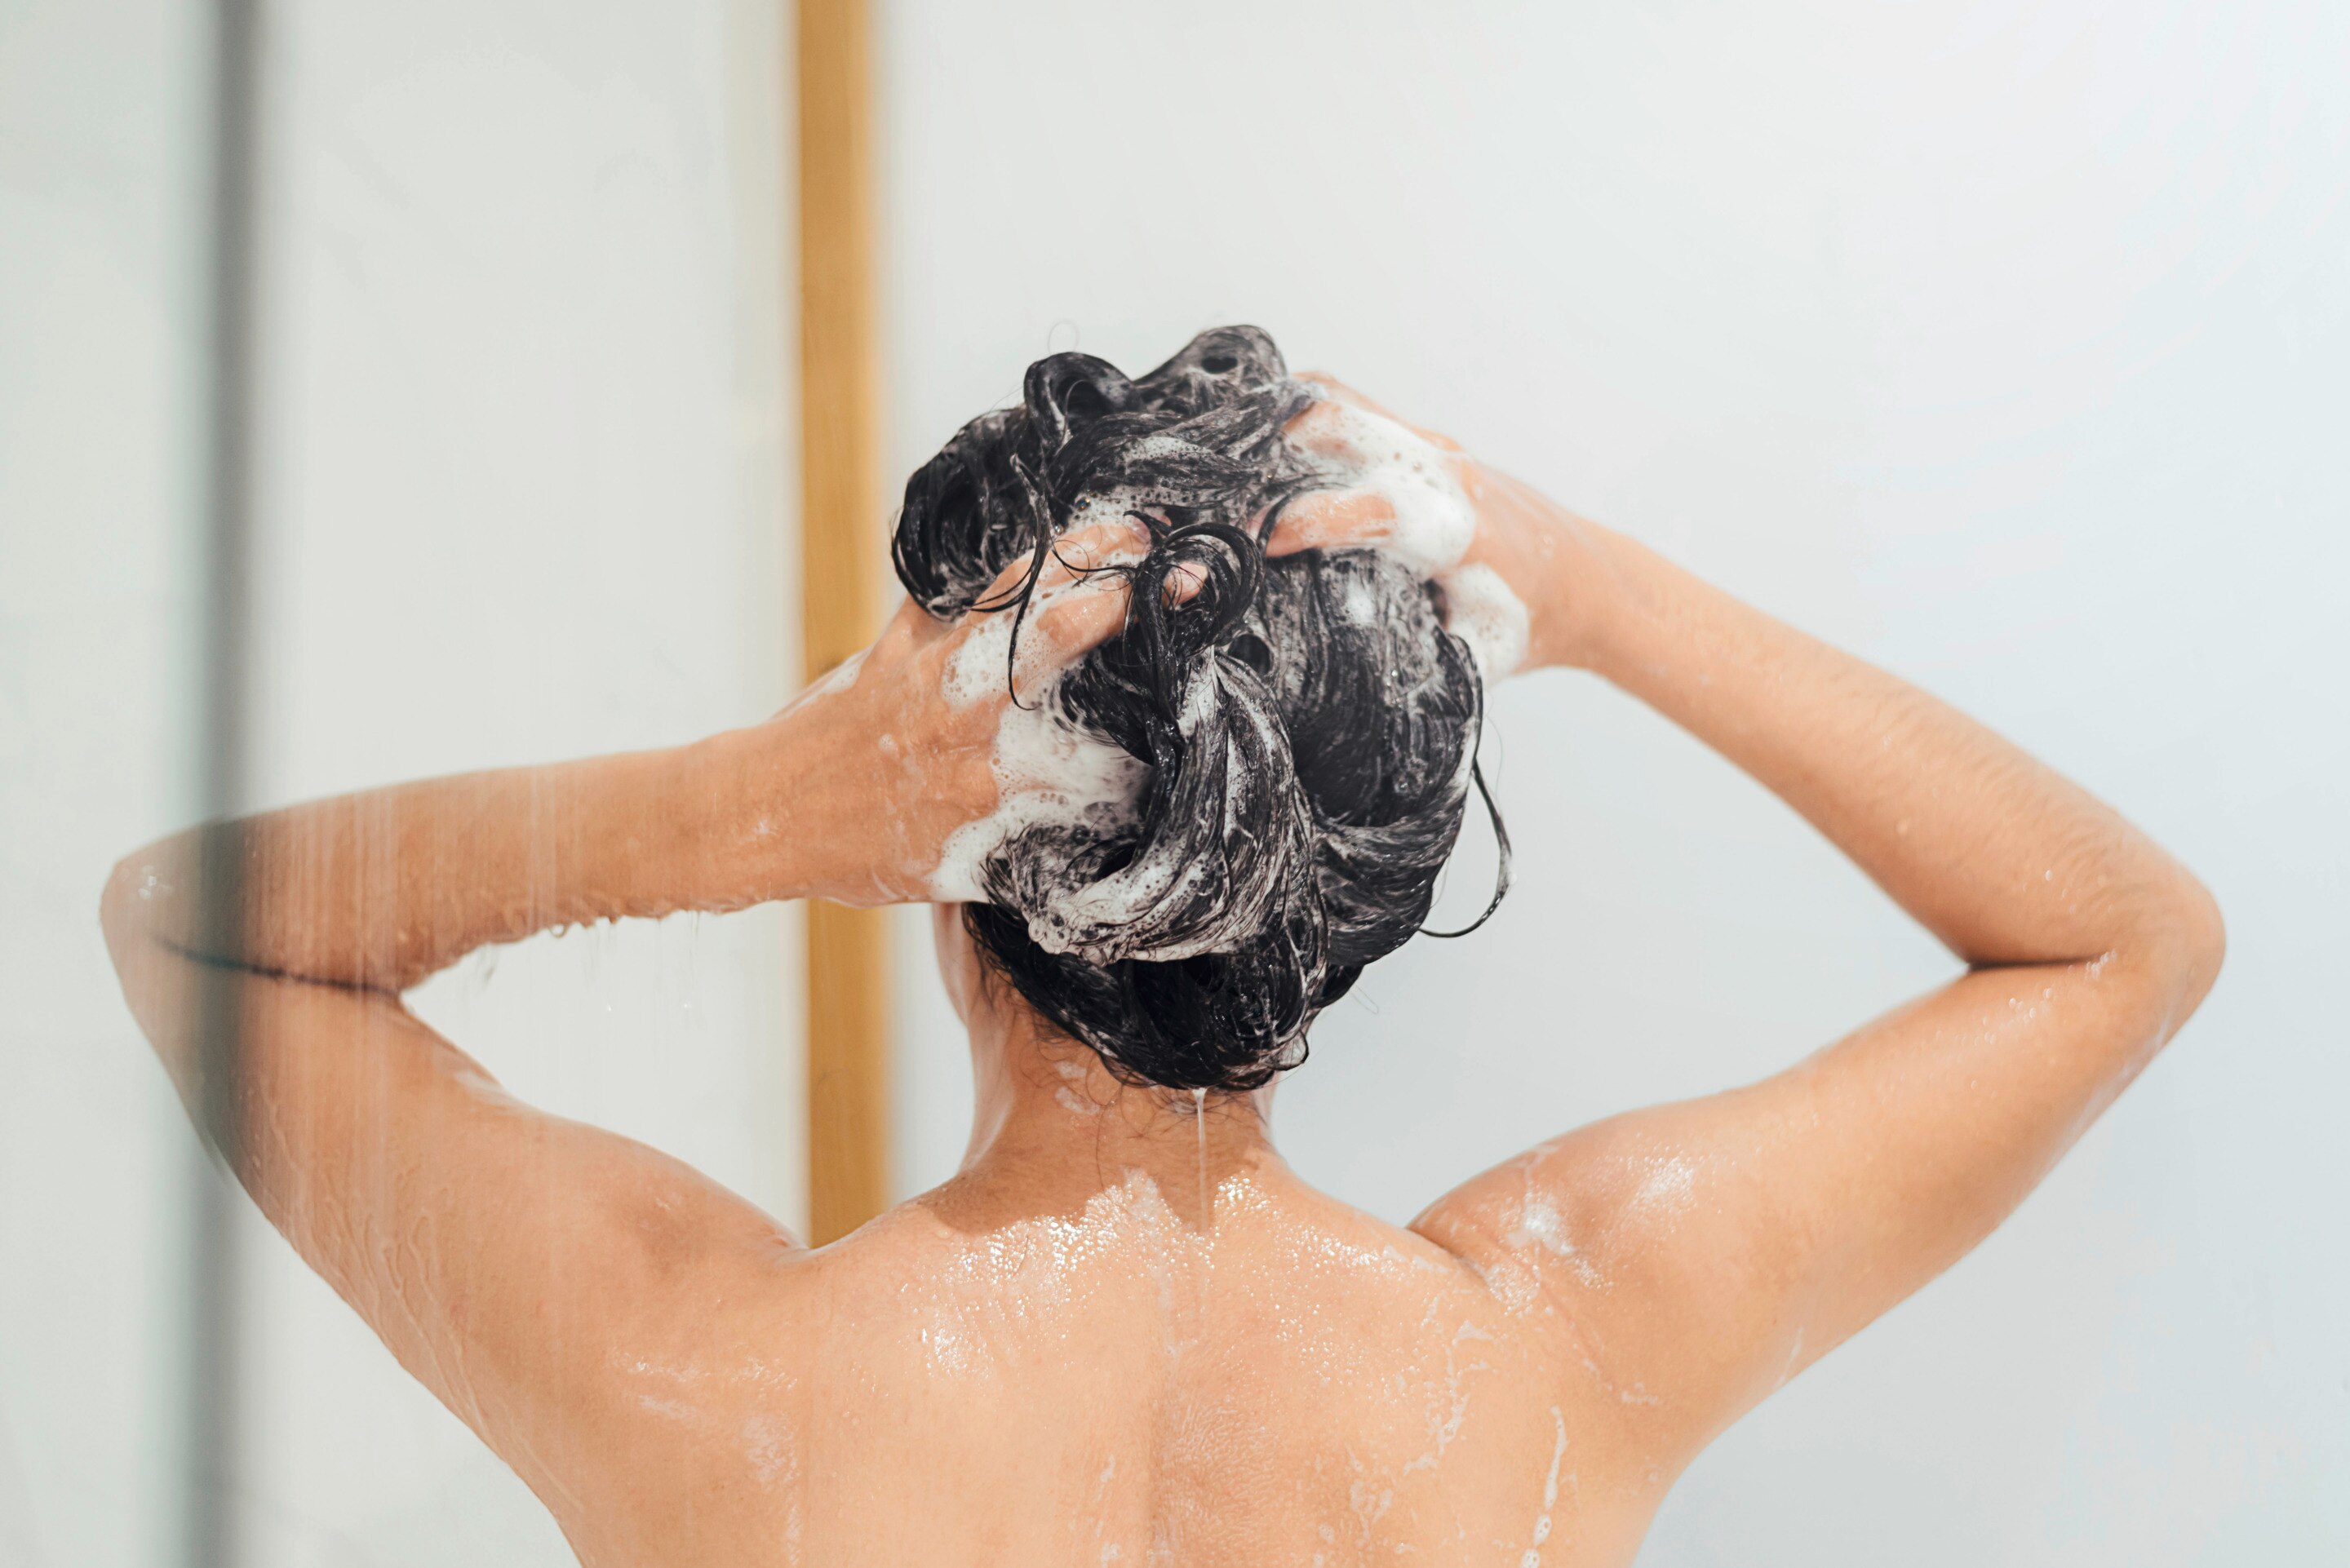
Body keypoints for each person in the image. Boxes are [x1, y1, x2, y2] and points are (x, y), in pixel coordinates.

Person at [103, 330, 2222, 1566]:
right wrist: (1587, 586)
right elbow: (2121, 942)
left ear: (938, 854)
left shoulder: (715, 1396)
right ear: (1338, 894)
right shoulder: (1557, 1353)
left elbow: (191, 933)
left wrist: (758, 804)